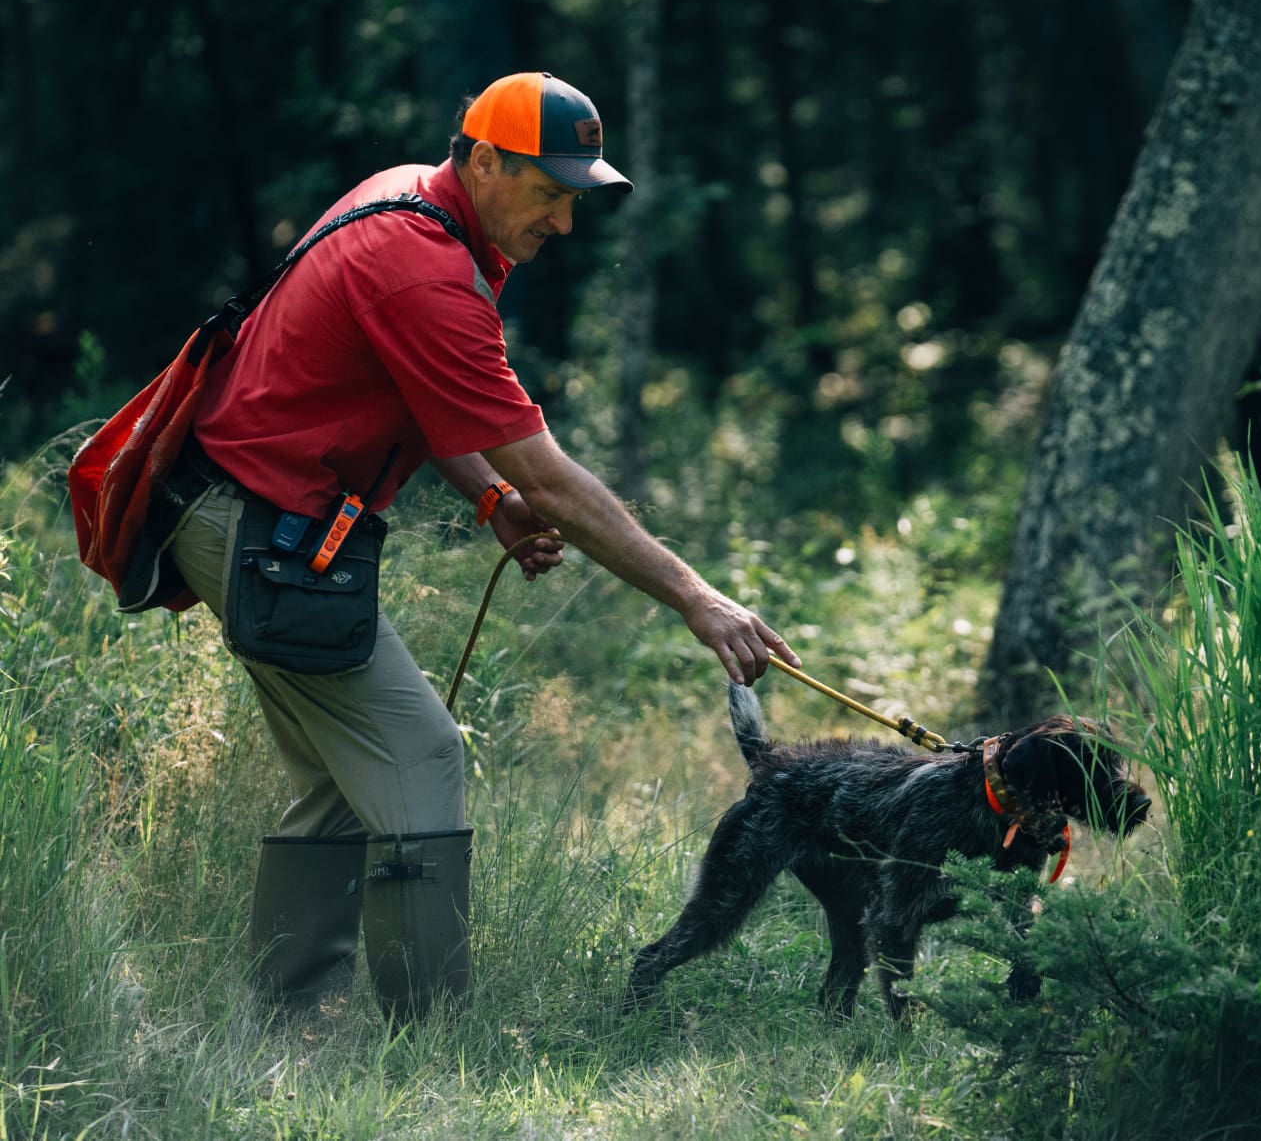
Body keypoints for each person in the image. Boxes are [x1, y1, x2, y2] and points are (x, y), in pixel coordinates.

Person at [162, 70, 798, 1021]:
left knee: (347, 773)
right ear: (487, 159)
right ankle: (429, 1036)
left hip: (248, 520)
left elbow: (435, 409)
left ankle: (286, 1021)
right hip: (265, 536)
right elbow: (550, 477)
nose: (564, 223)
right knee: (421, 755)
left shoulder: (413, 199)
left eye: (575, 197)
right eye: (550, 193)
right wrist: (697, 599)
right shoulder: (421, 265)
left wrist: (486, 493)